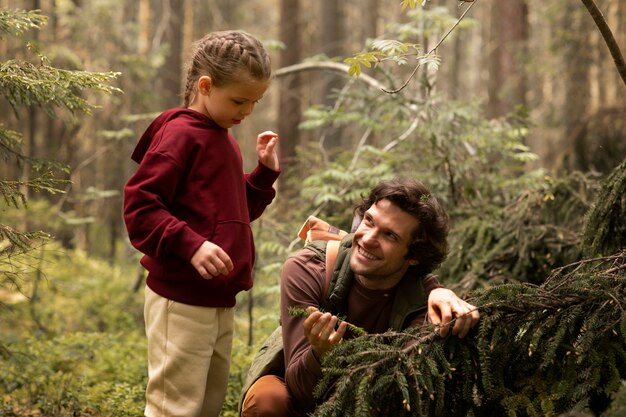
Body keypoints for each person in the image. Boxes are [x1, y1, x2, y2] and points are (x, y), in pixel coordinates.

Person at [123, 30, 280, 417]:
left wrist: (262, 176)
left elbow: (227, 214)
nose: (246, 111)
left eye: (254, 102)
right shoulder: (179, 134)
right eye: (239, 100)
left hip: (218, 298)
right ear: (206, 86)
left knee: (206, 406)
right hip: (180, 299)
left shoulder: (222, 138)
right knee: (174, 408)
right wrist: (190, 245)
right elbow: (140, 207)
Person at [240, 178, 480, 417]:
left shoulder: (424, 300)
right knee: (267, 401)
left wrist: (442, 294)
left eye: (389, 235)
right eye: (369, 221)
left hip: (366, 399)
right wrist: (320, 354)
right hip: (296, 391)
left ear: (414, 256)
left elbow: (396, 392)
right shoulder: (308, 268)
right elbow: (300, 392)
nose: (367, 239)